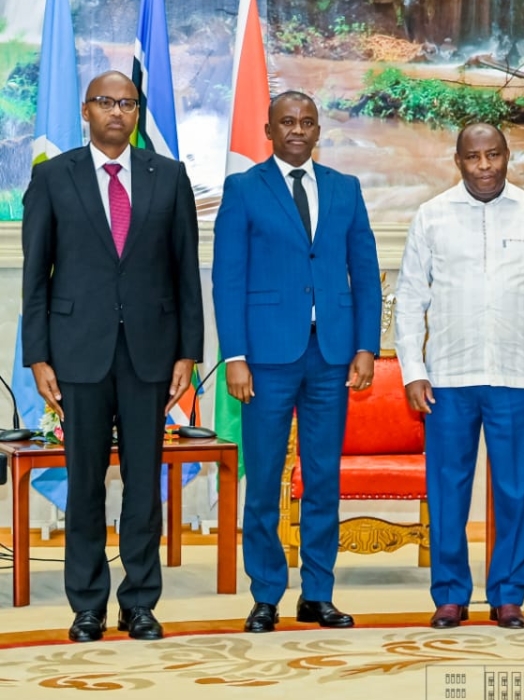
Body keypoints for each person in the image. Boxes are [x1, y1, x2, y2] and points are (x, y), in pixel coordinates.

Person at [21, 71, 203, 642]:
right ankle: (87, 605)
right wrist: (38, 356)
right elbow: (36, 276)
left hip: (151, 354)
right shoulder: (53, 177)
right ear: (86, 110)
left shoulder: (168, 176)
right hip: (77, 354)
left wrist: (188, 352)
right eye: (106, 102)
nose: (117, 112)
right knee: (85, 484)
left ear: (137, 112)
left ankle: (140, 602)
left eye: (127, 103)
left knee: (144, 487)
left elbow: (186, 272)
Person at [394, 123, 524, 630]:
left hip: (517, 377)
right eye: (473, 157)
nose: (484, 166)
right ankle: (450, 594)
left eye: (493, 155)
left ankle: (509, 595)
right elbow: (410, 300)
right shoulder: (431, 216)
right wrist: (413, 370)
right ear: (458, 161)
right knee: (448, 489)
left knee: (516, 490)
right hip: (448, 378)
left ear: (507, 155)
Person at [212, 91, 381, 633]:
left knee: (323, 479)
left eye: (308, 122)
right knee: (264, 479)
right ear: (269, 130)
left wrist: (366, 347)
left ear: (318, 131)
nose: (298, 130)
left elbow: (365, 272)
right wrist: (235, 356)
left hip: (331, 356)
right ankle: (265, 595)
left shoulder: (345, 188)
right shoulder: (243, 189)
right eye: (287, 122)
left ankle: (318, 593)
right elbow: (227, 278)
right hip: (265, 358)